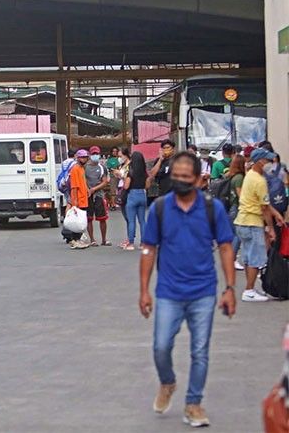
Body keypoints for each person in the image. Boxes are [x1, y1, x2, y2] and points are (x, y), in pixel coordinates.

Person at [139, 151, 236, 428]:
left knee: (200, 351)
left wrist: (230, 288)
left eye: (186, 177)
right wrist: (144, 290)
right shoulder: (159, 208)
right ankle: (167, 382)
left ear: (198, 179)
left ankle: (193, 403)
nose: (180, 180)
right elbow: (148, 249)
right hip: (168, 292)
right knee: (161, 347)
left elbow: (227, 247)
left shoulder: (211, 208)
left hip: (203, 292)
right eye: (176, 176)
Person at [233, 148, 286, 301]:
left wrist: (276, 215)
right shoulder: (259, 181)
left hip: (243, 221)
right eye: (269, 161)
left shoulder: (250, 176)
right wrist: (270, 228)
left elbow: (264, 203)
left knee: (250, 256)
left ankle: (251, 289)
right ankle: (249, 290)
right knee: (256, 257)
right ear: (261, 161)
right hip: (252, 222)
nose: (271, 164)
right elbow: (264, 208)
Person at [85, 145, 111, 247]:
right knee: (89, 218)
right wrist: (87, 189)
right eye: (93, 154)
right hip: (88, 195)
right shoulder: (85, 167)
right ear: (90, 155)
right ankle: (92, 239)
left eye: (97, 154)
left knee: (102, 218)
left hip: (99, 195)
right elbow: (83, 179)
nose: (95, 156)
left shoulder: (102, 167)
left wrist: (94, 189)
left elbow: (104, 182)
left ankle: (104, 239)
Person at [123, 151, 148, 251]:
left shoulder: (131, 171)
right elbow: (147, 185)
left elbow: (126, 186)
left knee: (131, 221)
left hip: (132, 195)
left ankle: (131, 243)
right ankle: (143, 243)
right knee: (142, 221)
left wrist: (124, 178)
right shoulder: (144, 172)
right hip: (142, 194)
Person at [67, 149, 91, 249]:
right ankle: (75, 240)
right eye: (82, 157)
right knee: (77, 222)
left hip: (83, 199)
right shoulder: (75, 169)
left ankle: (78, 239)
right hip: (78, 200)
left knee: (80, 221)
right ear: (78, 158)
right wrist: (74, 202)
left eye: (85, 157)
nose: (84, 159)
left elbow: (83, 183)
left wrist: (87, 190)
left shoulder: (81, 168)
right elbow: (74, 187)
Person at [106, 146, 121, 211]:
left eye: (116, 151)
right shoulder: (110, 160)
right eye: (113, 151)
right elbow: (109, 168)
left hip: (121, 175)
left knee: (121, 189)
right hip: (113, 175)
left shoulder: (120, 158)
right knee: (113, 190)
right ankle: (113, 204)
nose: (114, 153)